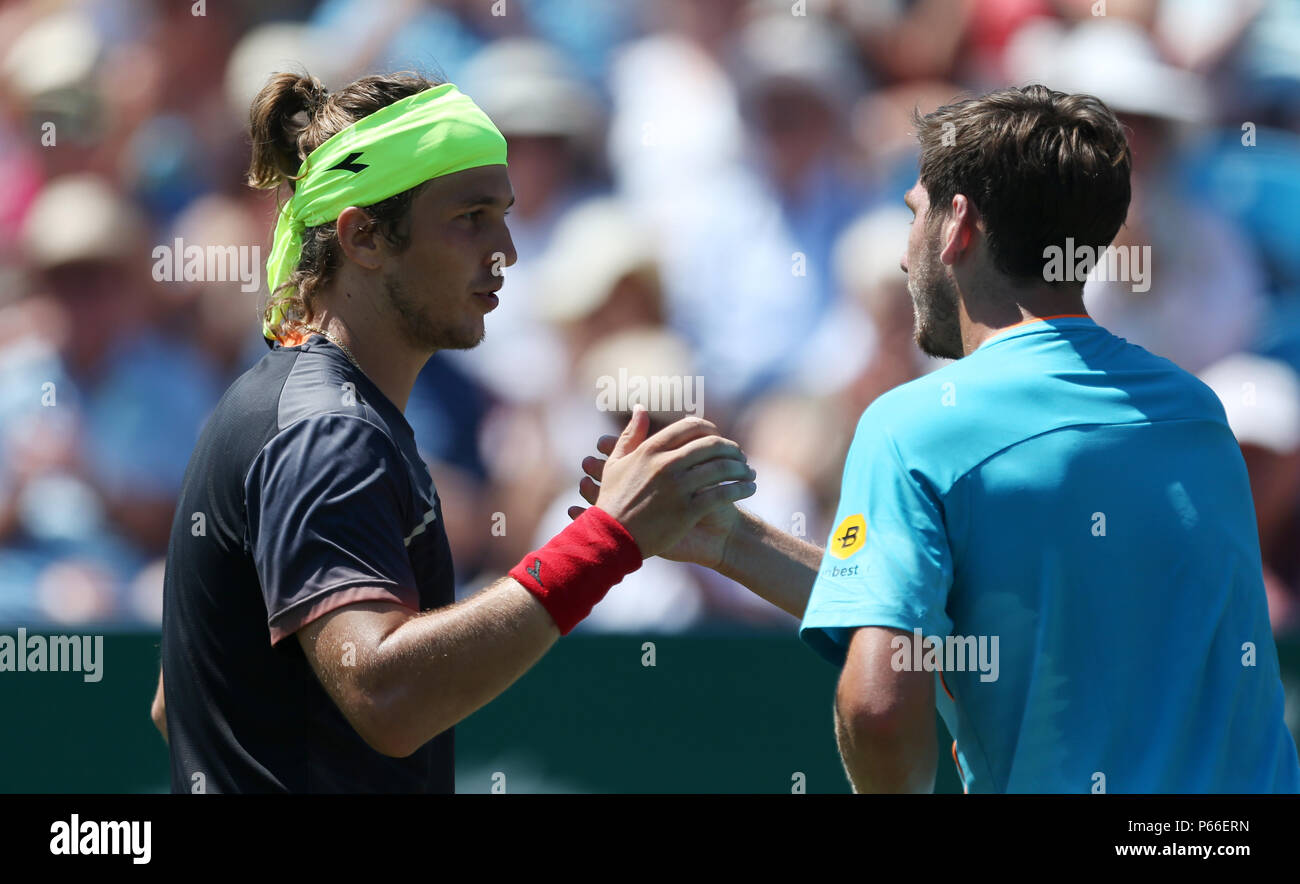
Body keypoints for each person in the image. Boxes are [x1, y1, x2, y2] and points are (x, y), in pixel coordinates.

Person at [574, 85, 1300, 794]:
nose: (901, 255)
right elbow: (941, 615)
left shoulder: (915, 425)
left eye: (912, 214)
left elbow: (880, 705)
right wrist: (730, 542)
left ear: (958, 225)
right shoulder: (1195, 413)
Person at [151, 71, 756, 793]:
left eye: (504, 213)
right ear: (365, 236)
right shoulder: (330, 433)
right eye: (471, 217)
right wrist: (607, 540)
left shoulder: (293, 406)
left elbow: (176, 701)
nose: (506, 250)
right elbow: (384, 694)